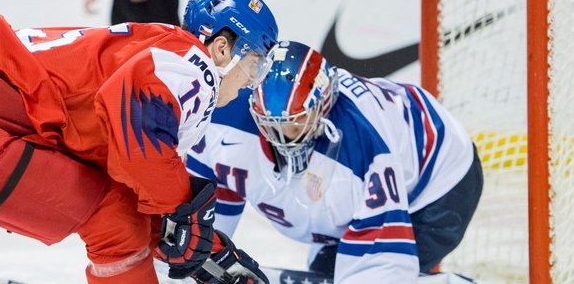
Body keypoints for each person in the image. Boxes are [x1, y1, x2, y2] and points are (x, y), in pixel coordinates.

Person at [0, 0, 278, 284]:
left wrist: (206, 248)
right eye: (255, 64)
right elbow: (135, 123)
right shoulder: (195, 66)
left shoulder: (153, 42)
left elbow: (126, 157)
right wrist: (180, 210)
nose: (250, 83)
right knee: (117, 223)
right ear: (223, 48)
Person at [185, 40, 484, 283]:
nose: (284, 138)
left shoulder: (362, 149)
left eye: (296, 123)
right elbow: (207, 198)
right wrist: (202, 255)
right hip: (369, 167)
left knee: (358, 273)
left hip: (441, 182)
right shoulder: (225, 117)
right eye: (271, 124)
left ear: (324, 104)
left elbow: (379, 267)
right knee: (326, 269)